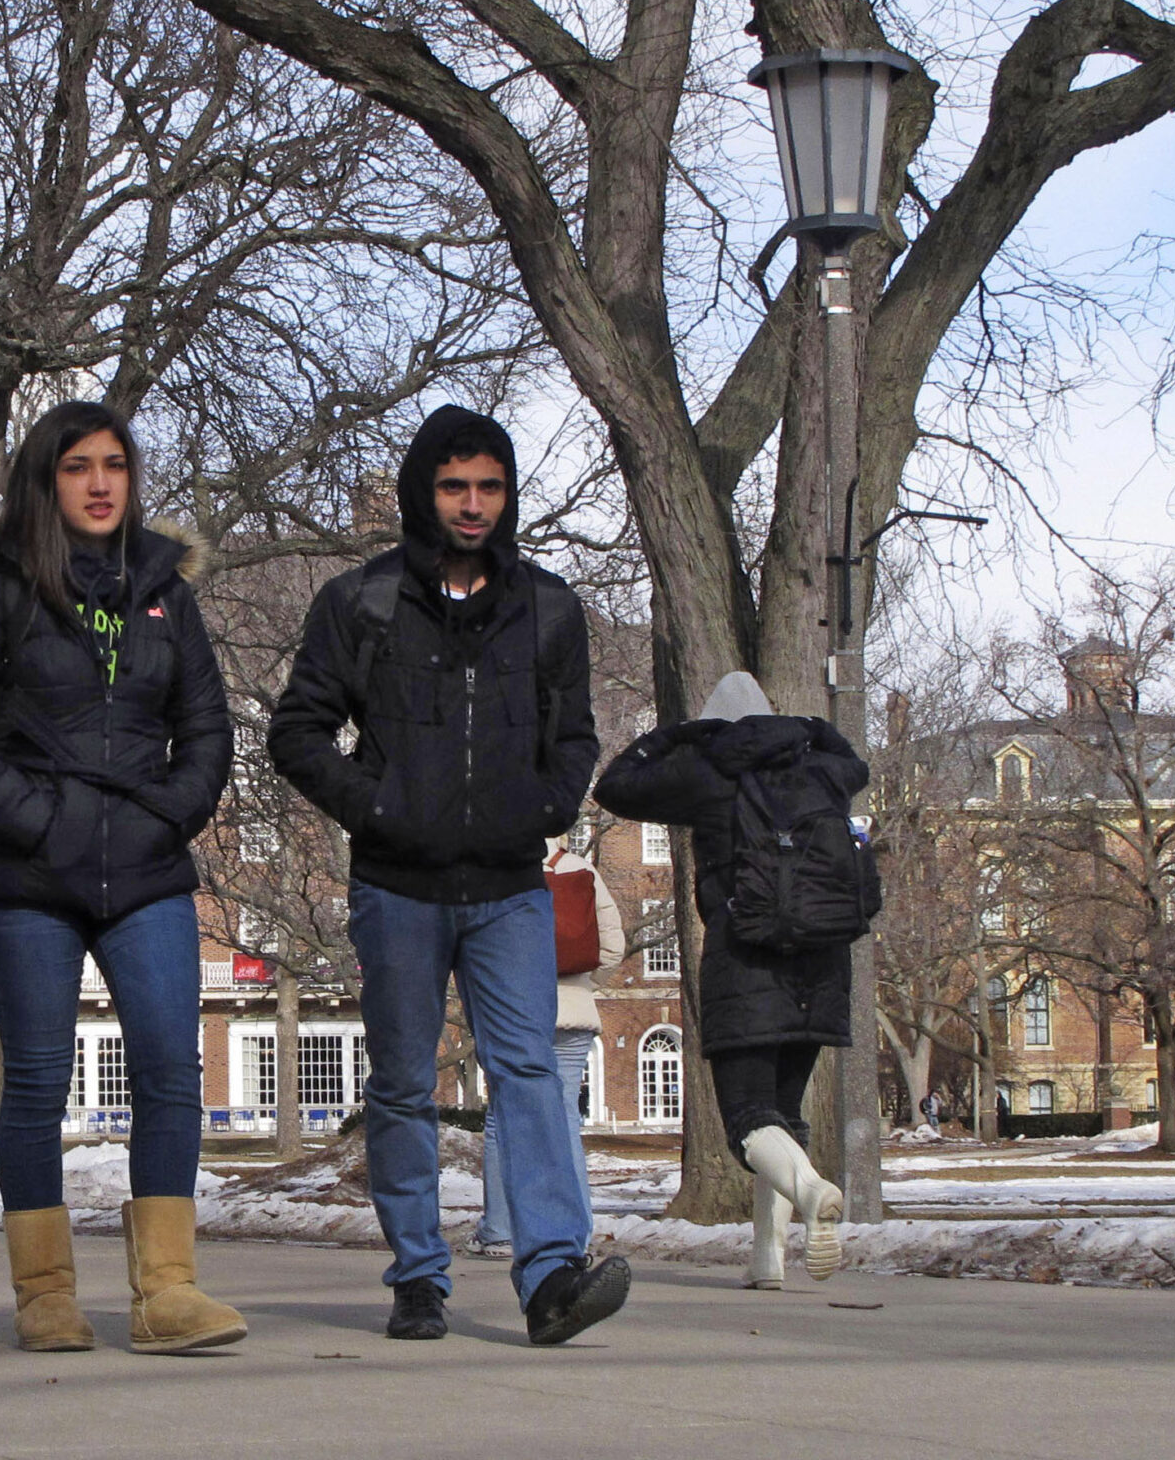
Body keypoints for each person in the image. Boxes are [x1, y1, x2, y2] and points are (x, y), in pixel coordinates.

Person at [269, 403, 626, 1346]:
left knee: (529, 1071)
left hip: (509, 887)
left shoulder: (549, 607)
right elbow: (297, 733)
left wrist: (543, 806)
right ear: (422, 494)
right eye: (455, 487)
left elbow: (575, 737)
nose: (474, 505)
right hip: (397, 887)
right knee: (399, 1083)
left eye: (490, 487)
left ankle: (552, 1277)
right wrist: (380, 807)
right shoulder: (362, 603)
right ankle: (419, 1276)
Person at [0, 399, 241, 1355]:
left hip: (145, 870)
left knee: (171, 1070)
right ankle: (46, 1295)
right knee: (37, 1080)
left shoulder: (167, 593)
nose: (100, 484)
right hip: (28, 875)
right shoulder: (3, 588)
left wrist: (164, 815)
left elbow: (209, 732)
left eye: (115, 465)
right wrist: (36, 818)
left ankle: (168, 1292)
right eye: (77, 467)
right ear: (44, 482)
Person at [594, 672, 873, 1289]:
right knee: (784, 1112)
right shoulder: (822, 770)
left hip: (745, 956)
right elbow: (856, 762)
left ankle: (809, 1190)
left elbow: (615, 785)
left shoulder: (709, 770)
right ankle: (767, 1259)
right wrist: (812, 728)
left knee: (748, 1118)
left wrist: (679, 735)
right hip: (822, 960)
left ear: (715, 724)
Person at [470, 837, 623, 1258]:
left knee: (502, 1116)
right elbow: (612, 949)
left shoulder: (493, 864)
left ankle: (500, 1230)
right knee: (565, 1117)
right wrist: (583, 987)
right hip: (573, 1012)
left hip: (513, 1011)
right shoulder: (581, 869)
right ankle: (577, 1228)